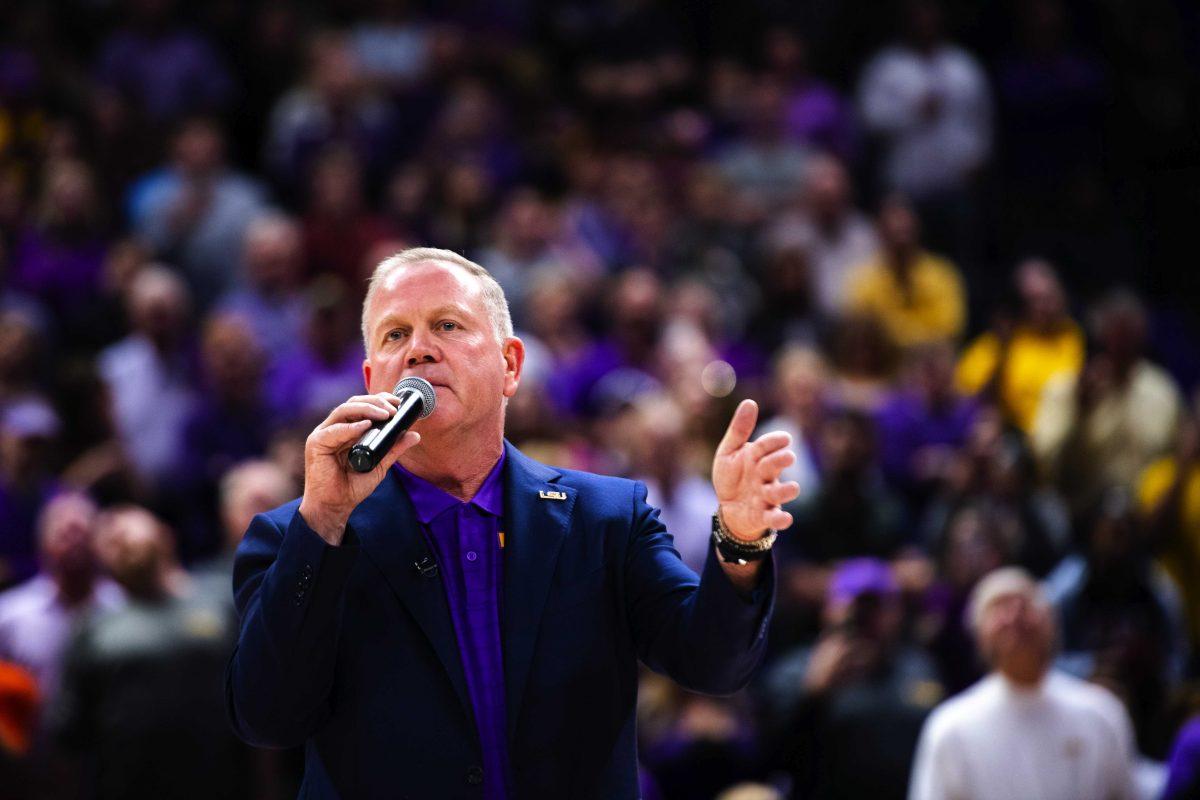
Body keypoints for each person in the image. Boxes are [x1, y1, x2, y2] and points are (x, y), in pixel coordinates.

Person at [226, 247, 798, 798]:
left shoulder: (605, 519)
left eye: (448, 325)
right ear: (374, 379)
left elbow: (715, 664)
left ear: (510, 365)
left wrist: (741, 540)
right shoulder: (296, 539)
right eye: (396, 334)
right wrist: (323, 519)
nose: (419, 349)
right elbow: (269, 718)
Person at [909, 566, 1137, 800]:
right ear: (978, 634)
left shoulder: (1100, 713)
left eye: (1024, 604)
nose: (1014, 617)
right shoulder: (950, 728)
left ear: (1051, 621)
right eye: (998, 607)